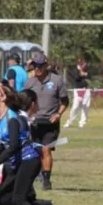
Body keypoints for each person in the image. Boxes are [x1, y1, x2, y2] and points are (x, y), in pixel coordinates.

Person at [24, 53, 68, 190]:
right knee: (36, 150)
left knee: (46, 149)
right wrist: (27, 117)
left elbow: (65, 102)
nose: (36, 69)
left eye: (39, 66)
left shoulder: (57, 80)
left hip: (50, 122)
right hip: (35, 122)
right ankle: (37, 175)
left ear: (45, 66)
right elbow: (25, 102)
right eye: (34, 66)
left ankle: (46, 180)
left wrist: (58, 114)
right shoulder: (30, 82)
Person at [64, 58, 91, 128]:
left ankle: (82, 122)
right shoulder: (75, 70)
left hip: (86, 89)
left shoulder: (86, 69)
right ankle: (69, 121)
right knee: (75, 106)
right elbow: (76, 78)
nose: (84, 65)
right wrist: (82, 74)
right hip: (78, 90)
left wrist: (84, 73)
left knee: (85, 106)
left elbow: (89, 75)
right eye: (82, 63)